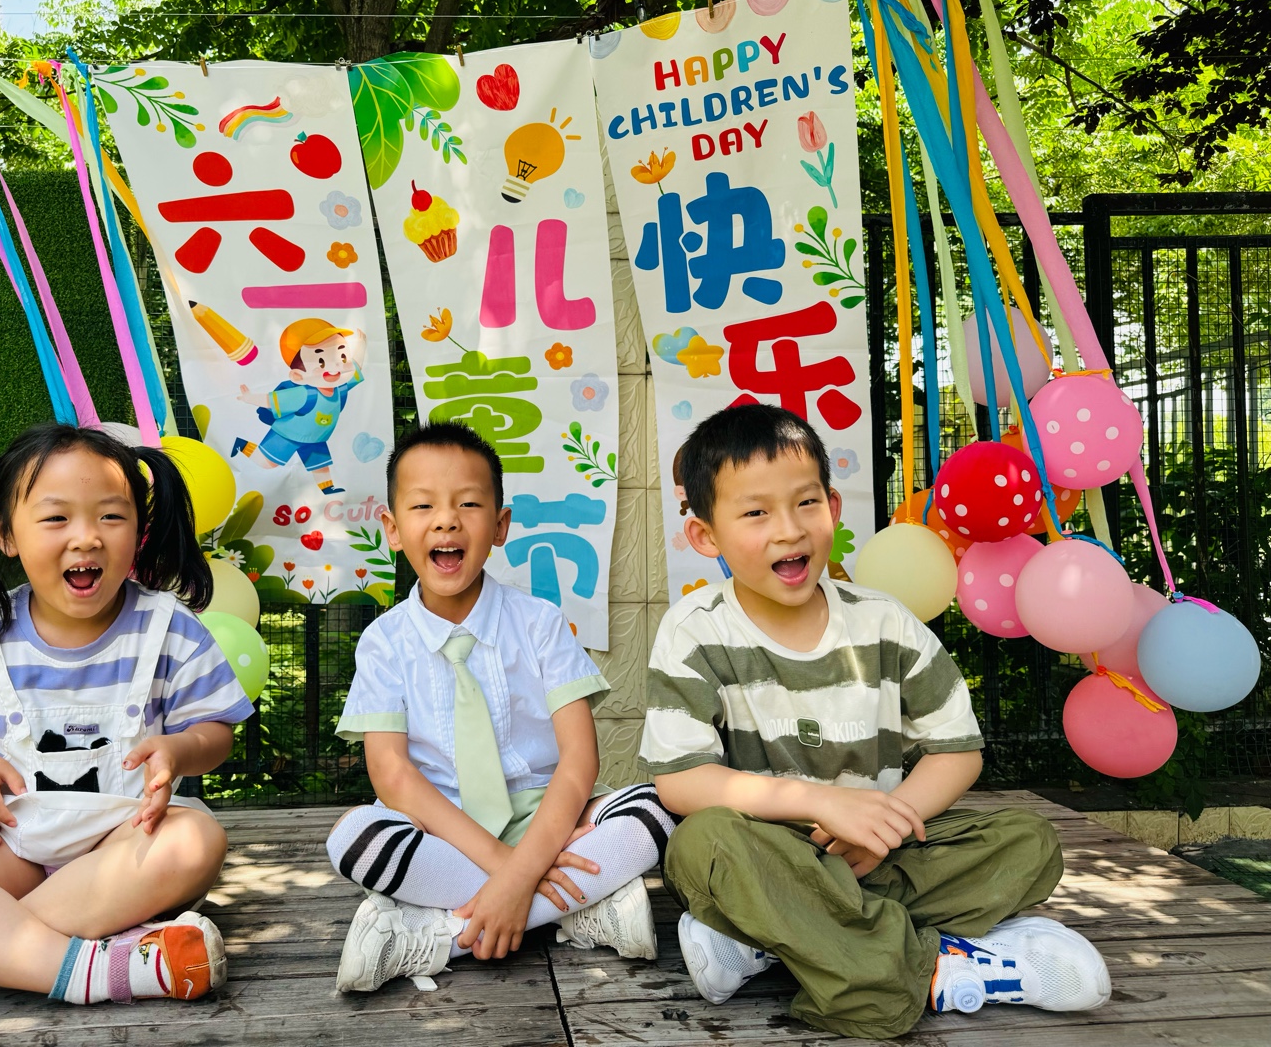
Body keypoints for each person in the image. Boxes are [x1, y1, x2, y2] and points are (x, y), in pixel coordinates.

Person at [640, 403, 1110, 1040]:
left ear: (833, 507)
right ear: (705, 536)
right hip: (763, 852)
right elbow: (681, 781)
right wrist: (821, 803)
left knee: (1029, 842)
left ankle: (771, 939)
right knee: (702, 845)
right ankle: (933, 971)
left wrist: (889, 823)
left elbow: (956, 750)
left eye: (806, 503)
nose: (789, 531)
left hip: (876, 856)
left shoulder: (884, 620)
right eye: (755, 513)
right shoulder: (694, 632)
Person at [0, 424, 255, 1024]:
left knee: (198, 840)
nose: (87, 537)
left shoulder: (170, 627)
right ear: (5, 532)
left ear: (139, 529)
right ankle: (99, 970)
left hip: (124, 850)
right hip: (6, 848)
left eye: (111, 516)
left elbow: (216, 730)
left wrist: (180, 750)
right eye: (56, 518)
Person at [329, 422, 676, 991]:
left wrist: (523, 870)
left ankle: (439, 937)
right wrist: (508, 872)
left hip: (549, 822)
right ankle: (574, 911)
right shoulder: (383, 642)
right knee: (355, 836)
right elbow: (392, 775)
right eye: (423, 505)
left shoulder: (540, 623)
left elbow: (579, 763)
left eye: (468, 503)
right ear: (392, 528)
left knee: (656, 806)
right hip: (443, 833)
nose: (446, 520)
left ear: (500, 525)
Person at [233, 318, 365, 494]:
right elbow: (272, 400)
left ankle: (327, 489)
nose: (336, 365)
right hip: (286, 435)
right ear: (298, 376)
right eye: (321, 362)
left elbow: (356, 368)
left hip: (316, 438)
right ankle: (241, 445)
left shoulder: (340, 388)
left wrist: (361, 345)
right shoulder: (304, 394)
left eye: (342, 356)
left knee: (320, 466)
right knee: (267, 463)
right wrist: (250, 398)